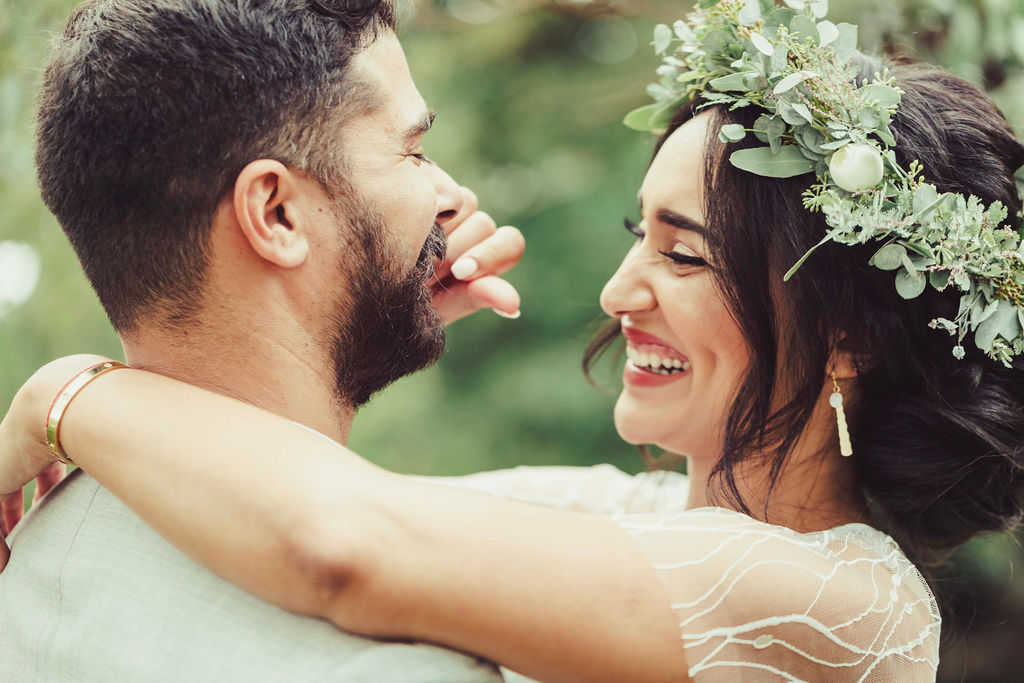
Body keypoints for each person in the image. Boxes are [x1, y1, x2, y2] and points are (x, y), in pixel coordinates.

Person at [5, 0, 1024, 680]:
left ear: (845, 335)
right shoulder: (602, 506)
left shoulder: (851, 603)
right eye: (638, 236)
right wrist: (373, 313)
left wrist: (65, 393)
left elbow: (349, 541)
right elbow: (304, 492)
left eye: (684, 255)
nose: (619, 289)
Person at [0, 0, 524, 680]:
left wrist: (371, 313)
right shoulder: (394, 657)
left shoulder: (37, 552)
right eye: (414, 152)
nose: (451, 196)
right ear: (274, 213)